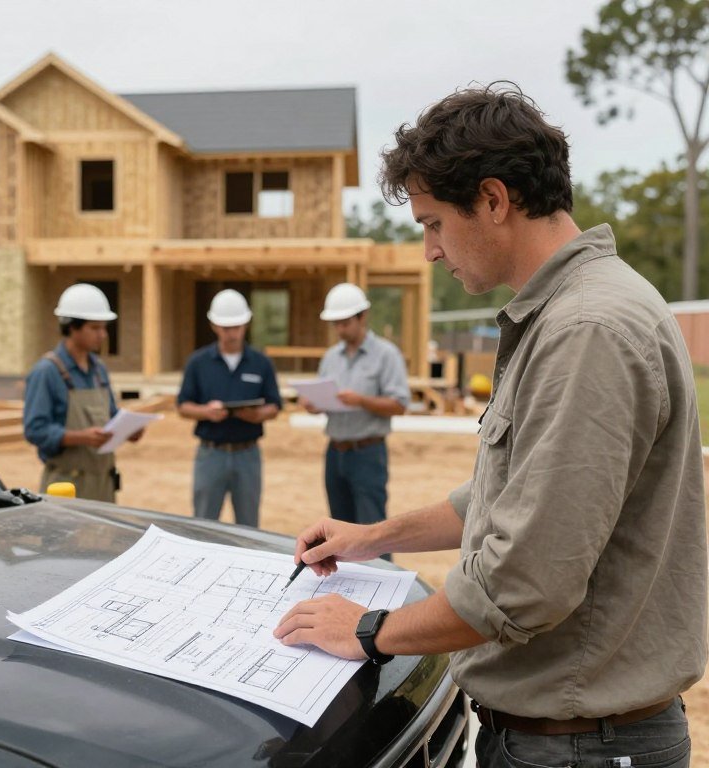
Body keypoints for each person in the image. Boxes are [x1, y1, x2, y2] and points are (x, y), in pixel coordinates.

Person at [274, 84, 706, 768]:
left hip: (577, 746)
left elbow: (525, 581)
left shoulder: (585, 330)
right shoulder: (573, 313)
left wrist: (366, 630)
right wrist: (376, 536)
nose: (429, 251)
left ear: (494, 200)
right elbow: (511, 500)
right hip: (572, 738)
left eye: (433, 223)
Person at [23, 283, 141, 501]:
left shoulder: (99, 369)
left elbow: (111, 416)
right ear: (71, 327)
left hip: (104, 484)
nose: (103, 335)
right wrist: (81, 438)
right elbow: (35, 430)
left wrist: (129, 430)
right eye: (95, 328)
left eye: (104, 327)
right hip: (66, 486)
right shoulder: (47, 372)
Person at [307, 283, 408, 529]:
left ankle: (380, 569)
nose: (339, 329)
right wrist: (314, 403)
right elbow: (323, 396)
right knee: (340, 530)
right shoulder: (330, 357)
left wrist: (361, 401)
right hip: (334, 453)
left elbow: (399, 404)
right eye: (336, 323)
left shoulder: (386, 355)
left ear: (362, 316)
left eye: (345, 322)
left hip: (368, 455)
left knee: (373, 529)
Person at [177, 289, 282, 527]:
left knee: (248, 526)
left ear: (246, 324)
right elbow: (183, 406)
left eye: (236, 327)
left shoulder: (261, 363)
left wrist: (257, 415)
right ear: (214, 325)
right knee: (204, 524)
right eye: (226, 328)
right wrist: (206, 412)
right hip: (211, 454)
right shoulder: (198, 363)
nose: (231, 333)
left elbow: (275, 405)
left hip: (248, 455)